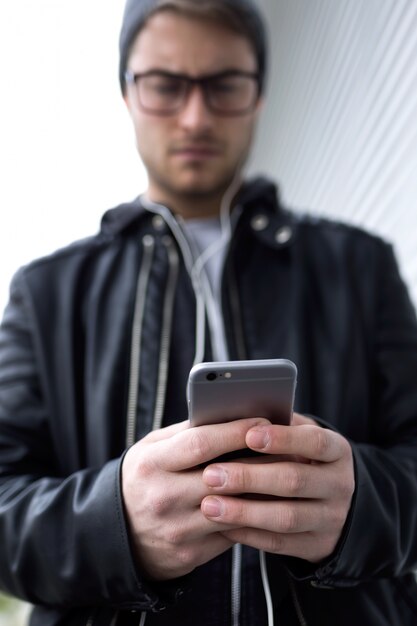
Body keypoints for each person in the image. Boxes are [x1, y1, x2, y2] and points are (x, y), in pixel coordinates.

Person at [1, 0, 417, 624]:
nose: (195, 117)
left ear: (259, 95)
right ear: (127, 92)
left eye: (224, 85)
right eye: (166, 85)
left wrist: (360, 508)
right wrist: (115, 526)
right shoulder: (47, 291)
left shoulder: (359, 264)